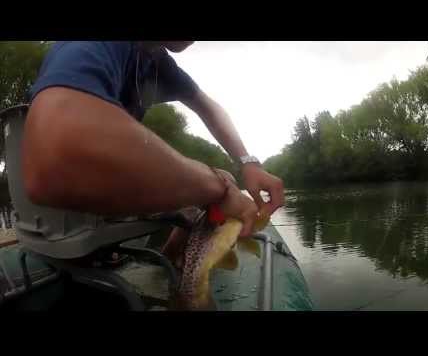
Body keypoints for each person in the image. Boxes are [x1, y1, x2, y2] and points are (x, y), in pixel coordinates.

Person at [23, 41, 284, 254]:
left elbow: (208, 107)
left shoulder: (155, 60)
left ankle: (172, 260)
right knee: (217, 181)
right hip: (71, 207)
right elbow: (52, 159)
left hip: (103, 202)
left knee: (212, 182)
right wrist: (219, 188)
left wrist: (248, 161)